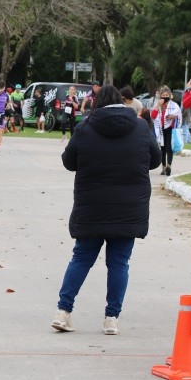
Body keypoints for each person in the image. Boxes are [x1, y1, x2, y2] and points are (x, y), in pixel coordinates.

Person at [51, 85, 160, 335]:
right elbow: (155, 160)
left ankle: (63, 311)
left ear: (97, 102)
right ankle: (112, 318)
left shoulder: (85, 127)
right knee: (119, 263)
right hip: (129, 208)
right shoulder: (142, 127)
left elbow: (69, 162)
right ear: (123, 102)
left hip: (92, 206)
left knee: (81, 258)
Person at [150, 86, 182, 176]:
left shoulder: (174, 105)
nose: (165, 96)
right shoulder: (158, 105)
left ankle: (169, 166)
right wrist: (158, 106)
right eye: (163, 95)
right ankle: (163, 167)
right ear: (160, 96)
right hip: (160, 129)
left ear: (170, 95)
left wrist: (174, 117)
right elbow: (152, 116)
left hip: (170, 129)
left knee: (169, 148)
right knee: (162, 149)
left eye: (167, 95)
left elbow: (179, 115)